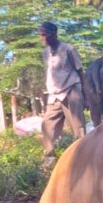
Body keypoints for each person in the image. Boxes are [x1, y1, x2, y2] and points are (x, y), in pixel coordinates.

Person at [38, 21, 87, 167]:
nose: (42, 38)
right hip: (54, 94)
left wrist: (85, 93)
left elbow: (79, 70)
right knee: (47, 124)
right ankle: (49, 156)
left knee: (77, 126)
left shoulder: (68, 49)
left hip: (71, 89)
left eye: (44, 35)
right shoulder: (45, 53)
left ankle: (83, 157)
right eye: (40, 35)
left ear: (53, 34)